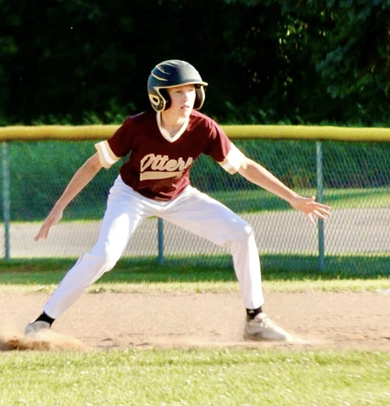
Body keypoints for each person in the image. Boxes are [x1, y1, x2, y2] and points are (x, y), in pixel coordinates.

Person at [25, 60, 331, 341]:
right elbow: (94, 164)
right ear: (159, 96)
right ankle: (42, 322)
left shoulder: (204, 127)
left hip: (179, 196)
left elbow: (245, 166)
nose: (187, 97)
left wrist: (292, 197)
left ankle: (256, 319)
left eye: (191, 90)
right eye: (178, 91)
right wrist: (60, 206)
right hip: (131, 196)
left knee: (242, 233)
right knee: (105, 255)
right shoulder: (138, 126)